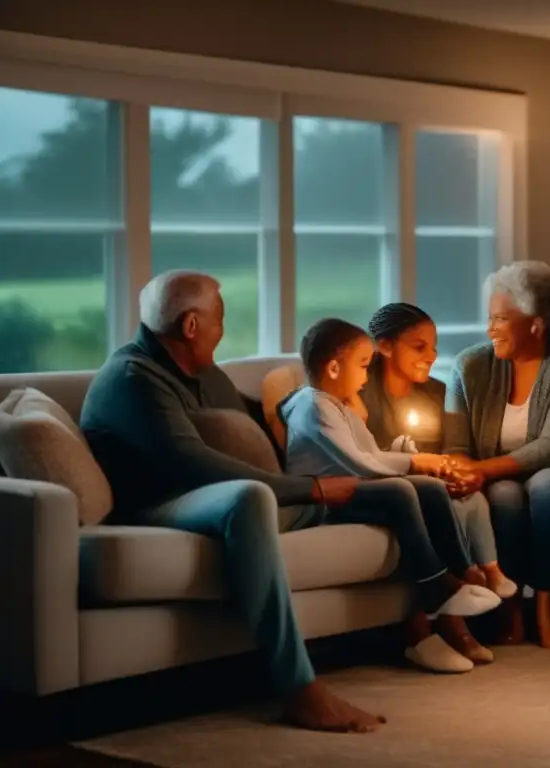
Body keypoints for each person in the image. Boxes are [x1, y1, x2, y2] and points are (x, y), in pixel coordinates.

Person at [80, 270, 384, 733]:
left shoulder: (203, 373)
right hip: (157, 505)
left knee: (378, 492)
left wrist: (323, 409)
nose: (223, 332)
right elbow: (195, 465)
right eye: (219, 321)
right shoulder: (133, 378)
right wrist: (311, 488)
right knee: (249, 498)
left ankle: (441, 606)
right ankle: (298, 688)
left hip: (201, 496)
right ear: (191, 326)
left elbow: (253, 421)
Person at [280, 318, 502, 673]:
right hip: (321, 501)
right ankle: (435, 586)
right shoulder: (314, 406)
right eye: (364, 365)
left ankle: (461, 571)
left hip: (354, 489)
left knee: (429, 487)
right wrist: (414, 461)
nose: (368, 375)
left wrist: (423, 464)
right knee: (400, 491)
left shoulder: (338, 405)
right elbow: (360, 464)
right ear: (334, 367)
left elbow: (376, 456)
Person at [444, 260, 550, 650]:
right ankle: (512, 607)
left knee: (547, 483)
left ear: (536, 324)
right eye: (489, 318)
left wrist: (481, 469)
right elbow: (455, 447)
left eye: (501, 319)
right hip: (500, 480)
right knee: (504, 494)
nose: (490, 329)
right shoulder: (470, 365)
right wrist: (468, 472)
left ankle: (546, 606)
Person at [361, 302, 517, 601]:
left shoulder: (439, 393)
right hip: (398, 485)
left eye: (434, 349)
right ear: (385, 346)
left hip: (440, 482)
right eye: (419, 348)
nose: (431, 357)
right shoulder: (361, 397)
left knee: (473, 498)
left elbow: (456, 448)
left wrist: (464, 474)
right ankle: (468, 576)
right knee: (443, 505)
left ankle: (491, 574)